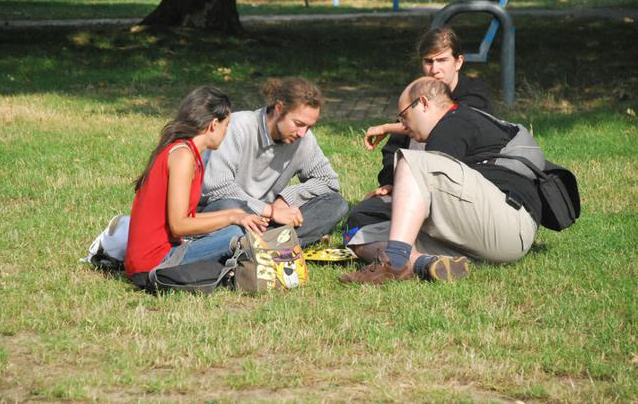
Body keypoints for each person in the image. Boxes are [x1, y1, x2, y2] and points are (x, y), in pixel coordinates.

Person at [339, 77, 540, 285]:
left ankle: (395, 263)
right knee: (359, 235)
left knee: (412, 161)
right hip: (488, 235)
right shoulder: (458, 121)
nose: (403, 125)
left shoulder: (454, 123)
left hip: (509, 221)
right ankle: (422, 264)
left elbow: (423, 180)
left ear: (424, 103)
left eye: (404, 116)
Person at [345, 25, 491, 260]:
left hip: (456, 194)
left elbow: (448, 126)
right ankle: (417, 257)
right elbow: (393, 150)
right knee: (360, 215)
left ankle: (408, 251)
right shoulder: (416, 94)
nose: (435, 70)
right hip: (414, 193)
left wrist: (386, 126)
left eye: (442, 60)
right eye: (428, 61)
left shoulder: (474, 98)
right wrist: (392, 183)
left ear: (458, 62)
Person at [125, 86, 268, 288]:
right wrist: (232, 216)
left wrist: (235, 214)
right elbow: (179, 225)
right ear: (213, 125)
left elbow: (185, 220)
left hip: (156, 256)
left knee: (237, 225)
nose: (227, 131)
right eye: (226, 125)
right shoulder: (183, 156)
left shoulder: (185, 152)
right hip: (155, 263)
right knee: (238, 232)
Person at [198, 77, 348, 247]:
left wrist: (285, 200)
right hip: (226, 211)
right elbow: (217, 188)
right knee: (228, 205)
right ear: (279, 109)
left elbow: (328, 181)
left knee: (337, 204)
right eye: (298, 124)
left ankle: (257, 244)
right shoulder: (238, 127)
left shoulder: (304, 140)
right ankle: (277, 242)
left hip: (267, 218)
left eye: (309, 127)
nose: (302, 133)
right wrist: (269, 211)